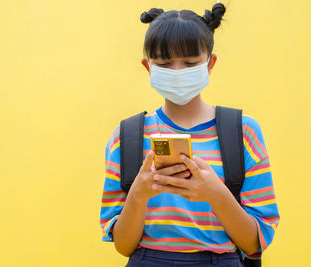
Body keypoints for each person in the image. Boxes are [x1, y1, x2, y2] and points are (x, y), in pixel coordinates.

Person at [99, 2, 280, 266]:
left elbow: (255, 243)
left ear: (210, 63)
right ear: (148, 67)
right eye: (164, 63)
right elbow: (123, 246)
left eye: (190, 62)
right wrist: (138, 193)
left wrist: (216, 194)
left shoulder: (243, 131)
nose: (178, 73)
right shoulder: (125, 137)